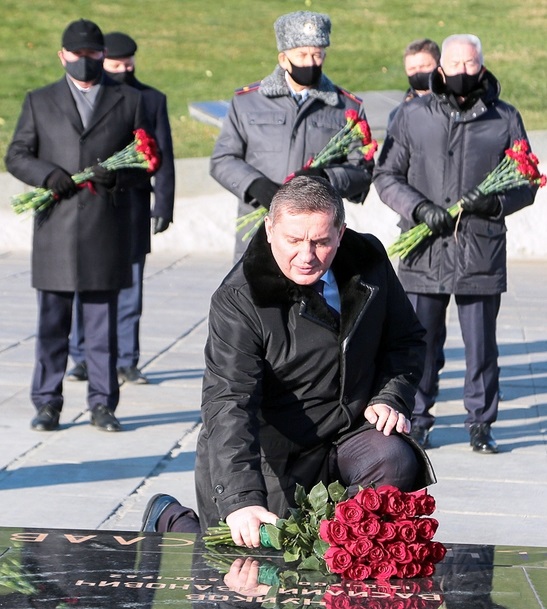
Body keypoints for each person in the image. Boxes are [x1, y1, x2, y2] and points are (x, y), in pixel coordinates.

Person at [141, 176, 436, 544]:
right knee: (256, 558)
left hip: (348, 431)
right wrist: (241, 498)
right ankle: (170, 517)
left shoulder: (368, 259)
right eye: (293, 240)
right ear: (270, 229)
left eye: (321, 242)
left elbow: (405, 339)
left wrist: (391, 395)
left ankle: (351, 550)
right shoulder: (239, 299)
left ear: (341, 233)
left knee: (392, 460)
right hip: (272, 450)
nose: (306, 255)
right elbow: (228, 400)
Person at [373, 34, 538, 453]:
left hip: (479, 250)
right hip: (425, 248)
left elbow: (527, 182)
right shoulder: (412, 116)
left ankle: (481, 422)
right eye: (455, 64)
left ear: (481, 65)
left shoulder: (504, 117)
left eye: (470, 64)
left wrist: (494, 203)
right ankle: (417, 418)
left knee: (481, 346)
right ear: (440, 68)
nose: (463, 71)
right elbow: (386, 175)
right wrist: (418, 208)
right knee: (420, 344)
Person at [5, 19, 151, 432]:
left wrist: (117, 176)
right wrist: (47, 174)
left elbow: (145, 162)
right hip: (55, 227)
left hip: (105, 228)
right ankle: (47, 402)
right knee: (52, 325)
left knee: (102, 326)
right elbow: (16, 155)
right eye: (76, 53)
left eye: (92, 54)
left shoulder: (128, 99)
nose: (84, 60)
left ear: (103, 55)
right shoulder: (39, 100)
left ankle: (103, 404)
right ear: (62, 55)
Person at [209, 10, 374, 262]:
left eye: (317, 55)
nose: (310, 63)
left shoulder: (345, 107)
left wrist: (326, 177)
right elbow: (222, 159)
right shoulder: (248, 102)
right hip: (259, 231)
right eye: (302, 55)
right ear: (284, 59)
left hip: (316, 242)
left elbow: (362, 170)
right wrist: (255, 185)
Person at [66, 31, 175, 386]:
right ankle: (82, 357)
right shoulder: (86, 99)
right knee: (87, 282)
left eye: (129, 64)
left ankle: (127, 360)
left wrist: (164, 204)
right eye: (117, 65)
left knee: (130, 288)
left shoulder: (152, 99)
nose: (124, 70)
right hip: (91, 205)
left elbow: (163, 154)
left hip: (132, 206)